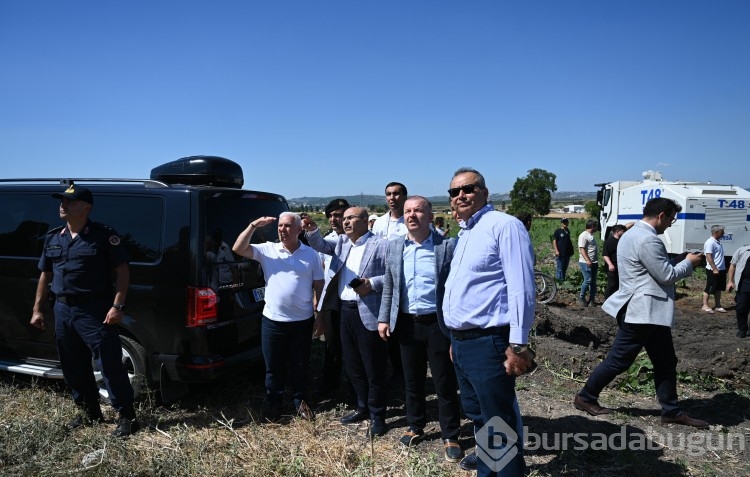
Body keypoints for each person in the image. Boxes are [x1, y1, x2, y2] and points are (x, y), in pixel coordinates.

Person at [574, 197, 708, 429]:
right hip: (642, 311)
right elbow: (666, 275)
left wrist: (678, 259)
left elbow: (650, 268)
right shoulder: (647, 239)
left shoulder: (632, 234)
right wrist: (689, 263)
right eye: (671, 220)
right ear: (661, 216)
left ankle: (671, 410)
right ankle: (586, 397)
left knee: (666, 360)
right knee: (619, 359)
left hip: (648, 311)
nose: (669, 225)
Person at [443, 168, 536, 476]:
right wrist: (456, 340)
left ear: (484, 192)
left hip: (490, 342)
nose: (460, 196)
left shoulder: (504, 226)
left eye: (467, 188)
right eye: (454, 192)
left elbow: (521, 286)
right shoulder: (466, 233)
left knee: (499, 423)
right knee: (479, 417)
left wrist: (518, 343)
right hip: (464, 343)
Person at [30, 185, 139, 437]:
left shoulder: (103, 236)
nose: (63, 205)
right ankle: (89, 412)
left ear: (86, 208)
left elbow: (122, 271)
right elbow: (45, 274)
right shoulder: (54, 237)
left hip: (95, 309)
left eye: (70, 201)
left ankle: (127, 417)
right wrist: (38, 308)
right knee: (73, 364)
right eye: (62, 201)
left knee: (109, 363)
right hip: (63, 309)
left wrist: (117, 305)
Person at [377, 196, 463, 463]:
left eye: (417, 210)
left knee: (443, 382)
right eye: (407, 211)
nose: (412, 215)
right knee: (412, 380)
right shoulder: (394, 247)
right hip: (405, 323)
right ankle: (416, 426)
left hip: (436, 325)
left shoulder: (446, 246)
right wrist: (383, 318)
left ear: (429, 215)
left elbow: (454, 288)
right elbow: (390, 285)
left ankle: (451, 434)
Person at [302, 207, 390, 438]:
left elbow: (392, 275)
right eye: (345, 218)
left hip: (368, 311)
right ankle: (362, 407)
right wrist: (312, 230)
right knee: (353, 364)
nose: (346, 221)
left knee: (373, 367)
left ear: (364, 221)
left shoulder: (380, 244)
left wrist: (372, 283)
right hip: (345, 311)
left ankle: (378, 415)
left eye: (351, 218)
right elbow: (321, 246)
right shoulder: (342, 243)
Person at [232, 212, 324, 422]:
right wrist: (253, 224)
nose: (282, 229)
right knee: (274, 365)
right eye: (280, 226)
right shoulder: (268, 250)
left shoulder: (311, 255)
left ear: (299, 230)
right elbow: (238, 248)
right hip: (273, 321)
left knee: (300, 363)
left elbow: (319, 284)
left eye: (288, 226)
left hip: (302, 321)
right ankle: (274, 402)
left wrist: (319, 312)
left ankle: (300, 400)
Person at [318, 199, 350, 395]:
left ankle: (356, 385)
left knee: (353, 345)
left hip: (351, 299)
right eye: (330, 215)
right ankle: (331, 383)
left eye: (338, 215)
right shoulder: (325, 240)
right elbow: (321, 271)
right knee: (331, 344)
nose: (333, 219)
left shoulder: (358, 240)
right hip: (331, 299)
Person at [702, 225, 727, 313]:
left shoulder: (718, 242)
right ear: (716, 232)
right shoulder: (710, 242)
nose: (724, 233)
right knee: (709, 287)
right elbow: (708, 256)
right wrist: (714, 268)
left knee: (719, 288)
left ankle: (717, 305)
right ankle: (705, 305)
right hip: (713, 269)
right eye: (722, 232)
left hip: (721, 269)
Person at [726, 244, 750, 338]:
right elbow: (733, 265)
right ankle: (742, 329)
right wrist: (730, 281)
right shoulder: (743, 250)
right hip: (743, 283)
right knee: (741, 307)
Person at [602, 224, 628, 299]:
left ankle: (614, 300)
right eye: (623, 231)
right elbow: (605, 255)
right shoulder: (609, 241)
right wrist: (610, 264)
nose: (624, 232)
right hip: (612, 267)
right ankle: (607, 300)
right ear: (617, 231)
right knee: (611, 284)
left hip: (620, 266)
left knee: (617, 284)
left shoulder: (621, 240)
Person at [578, 219, 599, 307]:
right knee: (588, 280)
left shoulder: (591, 235)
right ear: (592, 226)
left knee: (593, 281)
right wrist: (587, 260)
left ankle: (591, 299)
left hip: (594, 262)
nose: (597, 228)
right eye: (596, 226)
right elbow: (582, 248)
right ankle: (581, 297)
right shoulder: (583, 235)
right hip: (586, 262)